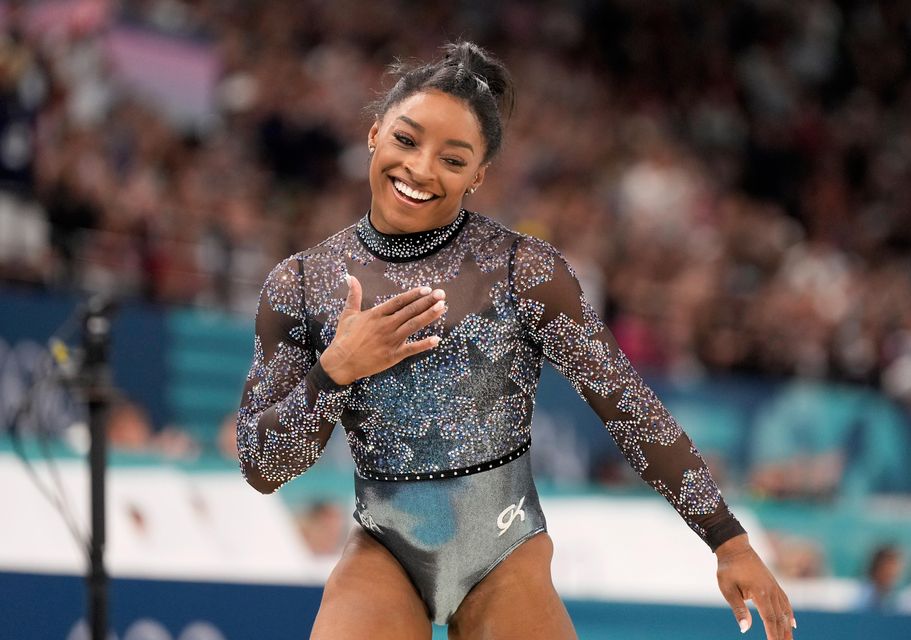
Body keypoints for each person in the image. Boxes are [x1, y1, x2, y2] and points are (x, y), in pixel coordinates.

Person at [236, 41, 796, 640]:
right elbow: (263, 466)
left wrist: (727, 540)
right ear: (374, 134)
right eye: (406, 140)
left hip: (505, 551)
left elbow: (629, 408)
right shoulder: (302, 283)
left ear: (478, 175)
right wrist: (335, 372)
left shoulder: (520, 270)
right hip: (383, 548)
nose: (421, 170)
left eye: (453, 160)